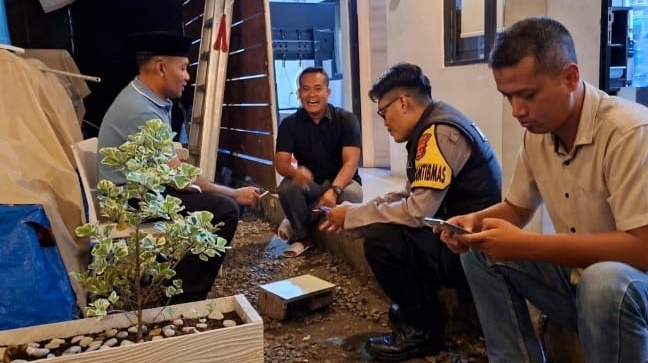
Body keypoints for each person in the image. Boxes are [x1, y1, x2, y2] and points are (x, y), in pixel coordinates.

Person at [441, 16, 648, 362]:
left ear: (570, 77)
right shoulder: (538, 135)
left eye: (528, 95)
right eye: (507, 97)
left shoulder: (631, 133)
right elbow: (516, 209)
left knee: (605, 281)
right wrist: (473, 223)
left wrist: (525, 244)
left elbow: (647, 250)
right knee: (481, 251)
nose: (517, 111)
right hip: (587, 289)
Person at [320, 63, 502, 361]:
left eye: (383, 112)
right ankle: (419, 309)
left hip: (469, 251)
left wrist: (353, 218)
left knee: (382, 241)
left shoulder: (438, 132)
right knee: (386, 226)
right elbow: (409, 194)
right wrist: (356, 211)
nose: (384, 122)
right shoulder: (436, 122)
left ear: (403, 102)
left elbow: (417, 212)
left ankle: (423, 330)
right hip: (453, 237)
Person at [97, 31, 260, 303]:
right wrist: (233, 193)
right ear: (161, 68)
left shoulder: (147, 99)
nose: (187, 76)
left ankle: (172, 281)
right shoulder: (141, 110)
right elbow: (180, 179)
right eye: (183, 68)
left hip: (144, 188)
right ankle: (182, 299)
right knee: (224, 210)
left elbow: (174, 169)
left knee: (213, 200)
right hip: (129, 199)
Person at [274, 66, 363, 257]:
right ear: (299, 94)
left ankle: (295, 222)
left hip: (343, 182)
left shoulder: (346, 120)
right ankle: (303, 238)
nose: (312, 95)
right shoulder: (289, 124)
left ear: (327, 92)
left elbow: (351, 163)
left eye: (317, 88)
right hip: (310, 185)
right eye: (306, 89)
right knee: (287, 189)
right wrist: (295, 173)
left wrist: (334, 190)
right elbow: (281, 163)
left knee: (353, 195)